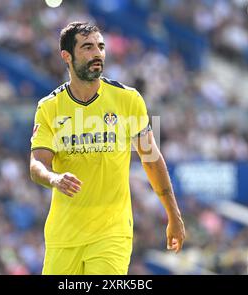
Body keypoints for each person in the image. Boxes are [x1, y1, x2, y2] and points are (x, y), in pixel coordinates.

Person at [29, 22, 185, 275]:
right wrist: (54, 178)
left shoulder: (128, 100)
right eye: (88, 47)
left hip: (111, 234)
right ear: (67, 56)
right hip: (63, 235)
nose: (98, 54)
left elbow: (151, 159)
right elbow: (37, 165)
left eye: (101, 47)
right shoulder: (49, 107)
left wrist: (173, 214)